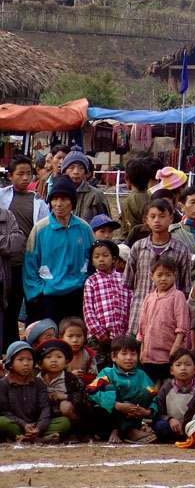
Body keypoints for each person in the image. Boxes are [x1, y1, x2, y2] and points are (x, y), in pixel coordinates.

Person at [23, 175, 95, 324]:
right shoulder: (40, 229)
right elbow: (30, 265)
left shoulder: (85, 229)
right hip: (48, 297)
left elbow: (93, 262)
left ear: (72, 202)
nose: (58, 204)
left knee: (73, 340)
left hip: (77, 296)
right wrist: (38, 294)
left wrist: (85, 285)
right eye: (55, 199)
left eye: (64, 199)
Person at [124, 198, 191, 337]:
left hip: (168, 320)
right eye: (152, 216)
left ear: (171, 218)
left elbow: (185, 287)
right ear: (146, 220)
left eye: (162, 216)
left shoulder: (181, 249)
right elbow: (128, 283)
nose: (157, 220)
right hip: (139, 317)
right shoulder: (138, 247)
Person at [0, 155, 47, 350]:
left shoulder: (38, 202)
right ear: (10, 176)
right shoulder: (2, 196)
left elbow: (42, 232)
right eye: (20, 174)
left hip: (26, 262)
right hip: (5, 264)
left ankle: (27, 346)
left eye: (29, 173)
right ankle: (8, 349)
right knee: (7, 308)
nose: (25, 178)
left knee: (27, 305)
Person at [87, 335, 158, 443]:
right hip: (108, 421)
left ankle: (125, 430)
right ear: (113, 357)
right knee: (110, 388)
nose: (129, 358)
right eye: (124, 354)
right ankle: (123, 430)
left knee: (146, 393)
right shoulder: (107, 373)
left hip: (133, 417)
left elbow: (154, 396)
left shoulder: (141, 375)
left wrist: (147, 412)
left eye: (133, 354)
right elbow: (92, 392)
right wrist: (117, 405)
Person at [0, 340, 69, 443]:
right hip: (16, 424)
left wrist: (39, 428)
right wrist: (24, 425)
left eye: (29, 359)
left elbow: (45, 408)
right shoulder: (4, 384)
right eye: (20, 360)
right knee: (2, 422)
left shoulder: (38, 383)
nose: (26, 363)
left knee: (65, 422)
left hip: (35, 424)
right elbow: (4, 411)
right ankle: (36, 439)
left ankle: (29, 437)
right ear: (10, 364)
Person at [137, 255, 191, 384]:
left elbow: (182, 327)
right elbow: (142, 327)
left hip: (169, 356)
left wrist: (175, 349)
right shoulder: (149, 297)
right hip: (149, 356)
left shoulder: (177, 296)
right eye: (159, 275)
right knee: (151, 390)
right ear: (152, 276)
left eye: (168, 275)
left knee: (168, 389)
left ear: (174, 275)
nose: (163, 279)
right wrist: (142, 350)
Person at [82, 239, 130, 370]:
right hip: (98, 337)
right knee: (99, 368)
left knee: (120, 366)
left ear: (114, 259)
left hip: (120, 335)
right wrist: (100, 333)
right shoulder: (91, 281)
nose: (101, 259)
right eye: (96, 257)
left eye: (105, 255)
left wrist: (127, 332)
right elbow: (88, 311)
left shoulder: (123, 279)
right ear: (92, 261)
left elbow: (130, 306)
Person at [154, 348, 195, 443]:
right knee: (160, 427)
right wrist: (170, 419)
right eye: (178, 365)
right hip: (174, 427)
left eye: (188, 364)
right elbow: (159, 414)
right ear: (171, 370)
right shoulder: (165, 389)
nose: (183, 368)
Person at [60, 148, 110, 224]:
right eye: (71, 168)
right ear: (64, 172)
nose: (76, 172)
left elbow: (105, 225)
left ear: (87, 173)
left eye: (80, 168)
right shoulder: (59, 194)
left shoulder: (96, 195)